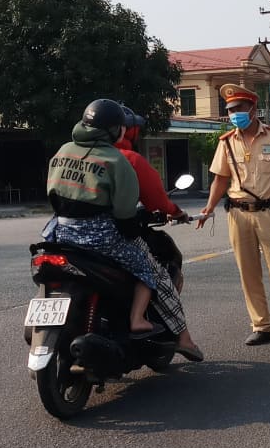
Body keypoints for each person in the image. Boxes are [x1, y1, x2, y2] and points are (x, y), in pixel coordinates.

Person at [43, 99, 193, 357]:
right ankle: (141, 321)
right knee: (149, 268)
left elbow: (52, 193)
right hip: (101, 236)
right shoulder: (118, 160)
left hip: (62, 231)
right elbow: (125, 212)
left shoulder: (64, 150)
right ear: (116, 130)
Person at [196, 84, 270, 348]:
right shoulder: (226, 142)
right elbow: (220, 180)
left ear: (252, 109)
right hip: (238, 214)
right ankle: (261, 325)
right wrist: (208, 208)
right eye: (230, 110)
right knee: (248, 273)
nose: (234, 114)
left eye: (238, 109)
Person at [114, 104, 204, 361]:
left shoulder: (71, 154)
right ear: (125, 130)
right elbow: (157, 200)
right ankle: (181, 337)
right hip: (110, 237)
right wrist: (175, 212)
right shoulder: (128, 159)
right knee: (157, 275)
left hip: (62, 235)